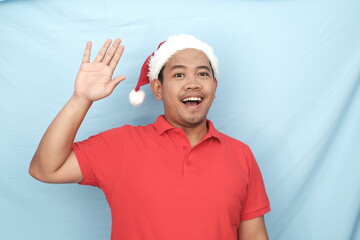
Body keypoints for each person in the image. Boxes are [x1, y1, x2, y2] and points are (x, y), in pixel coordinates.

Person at [29, 34, 271, 240]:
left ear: (214, 87)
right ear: (157, 89)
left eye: (202, 74)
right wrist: (80, 99)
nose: (193, 84)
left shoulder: (241, 154)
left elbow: (255, 236)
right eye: (178, 75)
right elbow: (45, 169)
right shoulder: (121, 144)